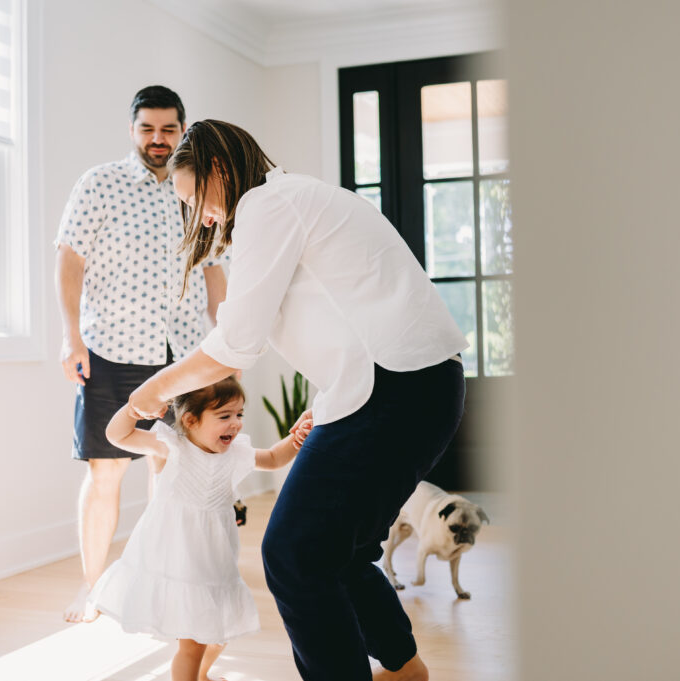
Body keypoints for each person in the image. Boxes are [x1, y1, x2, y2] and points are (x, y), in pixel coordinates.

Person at [128, 120, 468, 681]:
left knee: (292, 553)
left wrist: (152, 389)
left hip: (397, 386)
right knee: (342, 550)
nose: (204, 218)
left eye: (196, 200)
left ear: (217, 171)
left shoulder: (268, 204)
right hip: (416, 386)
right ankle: (405, 670)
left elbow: (236, 346)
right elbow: (331, 318)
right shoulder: (292, 200)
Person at [54, 86, 228, 623]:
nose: (158, 139)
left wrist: (224, 341)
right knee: (105, 473)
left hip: (180, 354)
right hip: (110, 349)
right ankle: (92, 589)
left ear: (182, 129)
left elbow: (214, 266)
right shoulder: (99, 183)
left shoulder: (193, 190)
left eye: (169, 129)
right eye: (148, 128)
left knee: (169, 471)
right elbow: (69, 260)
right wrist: (71, 336)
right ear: (132, 130)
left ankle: (156, 586)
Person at [89, 376, 313, 681]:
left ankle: (203, 675)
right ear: (190, 420)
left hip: (214, 558)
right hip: (176, 556)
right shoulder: (173, 446)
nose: (235, 424)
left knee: (218, 633)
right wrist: (134, 409)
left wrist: (297, 437)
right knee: (192, 643)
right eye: (224, 416)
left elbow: (274, 458)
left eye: (239, 415)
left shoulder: (236, 454)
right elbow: (118, 435)